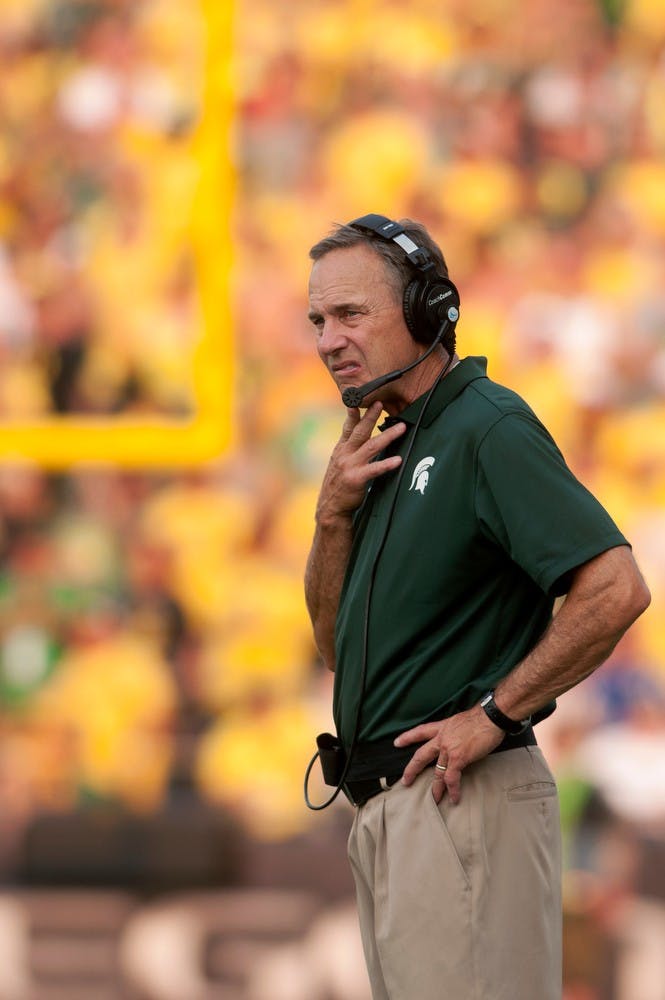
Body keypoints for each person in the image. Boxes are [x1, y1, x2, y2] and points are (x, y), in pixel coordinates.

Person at [303, 213, 651, 1000]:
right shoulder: (389, 444)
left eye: (351, 314)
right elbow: (335, 646)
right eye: (318, 320)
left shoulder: (485, 427)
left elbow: (615, 587)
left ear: (430, 311)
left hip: (462, 799)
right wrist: (330, 518)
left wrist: (491, 715)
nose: (328, 340)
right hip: (397, 811)